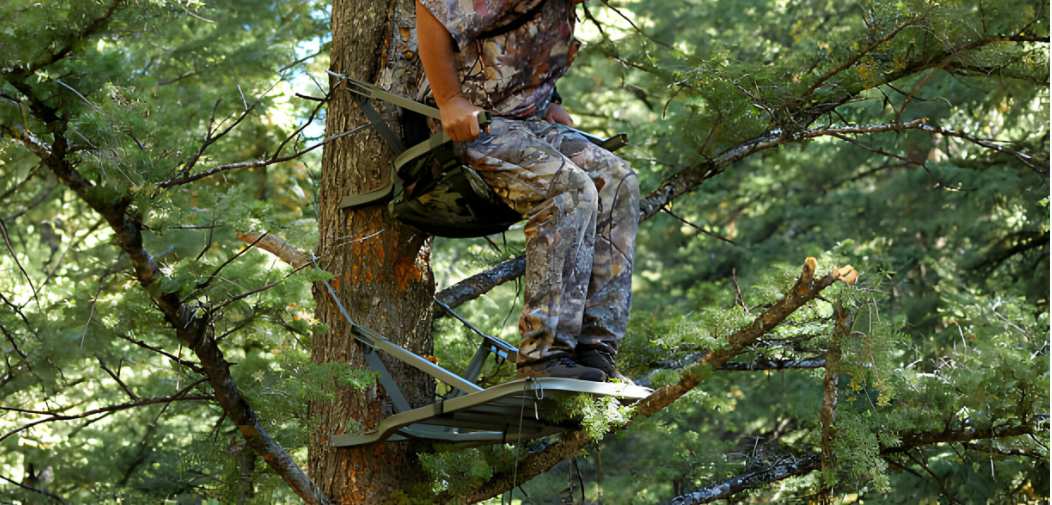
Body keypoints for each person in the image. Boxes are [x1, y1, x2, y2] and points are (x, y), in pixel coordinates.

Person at [416, 0, 639, 382]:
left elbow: (525, 49)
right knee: (568, 189)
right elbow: (432, 10)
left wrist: (552, 101)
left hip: (524, 123)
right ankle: (544, 355)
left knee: (617, 180)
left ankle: (596, 349)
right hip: (470, 126)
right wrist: (449, 100)